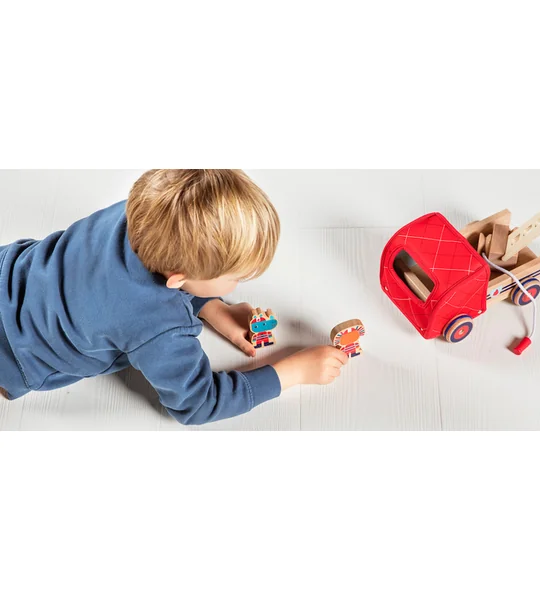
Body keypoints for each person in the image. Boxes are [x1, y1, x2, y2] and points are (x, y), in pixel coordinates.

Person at [0, 169, 348, 424]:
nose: (238, 282)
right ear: (179, 278)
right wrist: (291, 372)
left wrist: (211, 307)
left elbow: (149, 275)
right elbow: (198, 404)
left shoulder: (139, 212)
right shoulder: (160, 327)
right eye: (234, 277)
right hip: (11, 358)